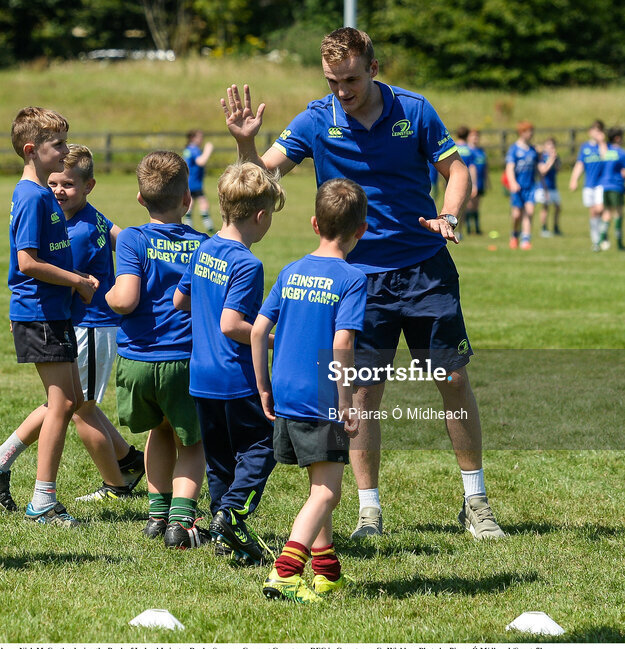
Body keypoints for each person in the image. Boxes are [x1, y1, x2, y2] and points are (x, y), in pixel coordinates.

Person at [221, 27, 504, 541]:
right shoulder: (315, 119)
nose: (342, 91)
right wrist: (245, 142)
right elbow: (256, 180)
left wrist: (449, 214)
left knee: (454, 381)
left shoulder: (415, 111)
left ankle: (476, 502)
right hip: (355, 281)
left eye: (350, 79)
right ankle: (369, 514)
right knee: (361, 393)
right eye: (333, 81)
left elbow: (455, 170)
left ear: (373, 68)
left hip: (425, 269)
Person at [0, 107, 98, 527]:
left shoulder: (40, 193)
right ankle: (43, 500)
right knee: (62, 404)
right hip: (41, 313)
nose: (64, 150)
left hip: (51, 311)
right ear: (31, 150)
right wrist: (77, 280)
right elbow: (27, 261)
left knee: (72, 400)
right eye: (56, 144)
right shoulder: (32, 196)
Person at [3, 145, 146, 503]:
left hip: (92, 325)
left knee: (77, 410)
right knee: (78, 404)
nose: (58, 191)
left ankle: (116, 486)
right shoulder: (94, 217)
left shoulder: (76, 232)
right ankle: (129, 461)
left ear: (88, 186)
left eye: (67, 184)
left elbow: (64, 279)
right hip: (82, 325)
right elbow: (126, 238)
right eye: (52, 183)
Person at [253, 178, 369, 604]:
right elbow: (342, 344)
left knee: (318, 481)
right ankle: (285, 572)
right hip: (323, 396)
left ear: (314, 223)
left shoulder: (291, 269)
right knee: (328, 492)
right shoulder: (353, 278)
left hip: (285, 390)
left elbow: (260, 330)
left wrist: (264, 386)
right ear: (362, 231)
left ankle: (326, 571)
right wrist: (346, 402)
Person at [173, 162, 283, 564]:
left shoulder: (204, 248)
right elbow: (232, 324)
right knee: (263, 445)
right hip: (235, 377)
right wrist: (274, 341)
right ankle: (231, 513)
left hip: (200, 376)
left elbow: (179, 300)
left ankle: (226, 536)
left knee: (219, 460)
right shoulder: (247, 264)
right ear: (260, 215)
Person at [106, 151, 208, 548]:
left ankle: (155, 514)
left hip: (138, 361)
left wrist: (109, 296)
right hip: (184, 360)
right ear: (187, 200)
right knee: (192, 441)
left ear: (140, 198)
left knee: (159, 430)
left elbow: (125, 299)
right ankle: (180, 523)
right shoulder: (203, 244)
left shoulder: (132, 238)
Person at [568, 120, 607, 252]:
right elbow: (580, 164)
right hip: (589, 184)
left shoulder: (604, 146)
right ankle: (596, 240)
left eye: (599, 130)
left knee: (600, 209)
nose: (596, 133)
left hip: (601, 183)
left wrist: (602, 142)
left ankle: (603, 234)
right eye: (594, 130)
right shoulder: (585, 147)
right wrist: (574, 179)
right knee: (593, 212)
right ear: (590, 132)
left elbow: (605, 157)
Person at [504, 121, 539, 249]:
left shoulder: (533, 150)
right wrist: (512, 182)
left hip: (530, 186)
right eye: (529, 131)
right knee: (517, 214)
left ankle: (526, 239)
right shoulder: (514, 149)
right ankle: (514, 235)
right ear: (522, 132)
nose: (531, 134)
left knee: (529, 211)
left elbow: (537, 168)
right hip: (517, 187)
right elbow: (509, 168)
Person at [598, 128, 625, 251]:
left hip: (605, 185)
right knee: (618, 214)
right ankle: (619, 244)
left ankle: (600, 241)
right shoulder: (622, 153)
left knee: (607, 213)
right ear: (618, 138)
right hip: (616, 186)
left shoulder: (606, 151)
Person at [183, 129, 215, 232]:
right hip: (193, 182)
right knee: (201, 202)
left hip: (192, 181)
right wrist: (208, 150)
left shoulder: (188, 149)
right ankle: (208, 226)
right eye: (200, 137)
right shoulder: (194, 149)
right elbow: (201, 161)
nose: (202, 140)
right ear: (193, 138)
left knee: (195, 203)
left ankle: (190, 225)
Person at [536, 137, 562, 237]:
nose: (551, 147)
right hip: (544, 187)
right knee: (545, 207)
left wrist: (555, 160)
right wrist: (551, 159)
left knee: (558, 207)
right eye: (549, 145)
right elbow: (543, 170)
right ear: (545, 146)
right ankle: (544, 228)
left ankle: (556, 227)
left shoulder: (555, 157)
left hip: (553, 186)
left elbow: (558, 170)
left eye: (553, 145)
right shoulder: (541, 157)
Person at [463, 128, 487, 235]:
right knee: (469, 205)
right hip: (470, 182)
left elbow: (485, 167)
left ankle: (477, 228)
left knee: (476, 205)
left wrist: (487, 181)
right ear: (468, 137)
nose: (475, 138)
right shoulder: (467, 150)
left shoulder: (481, 151)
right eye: (473, 136)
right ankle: (468, 228)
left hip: (480, 181)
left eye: (477, 136)